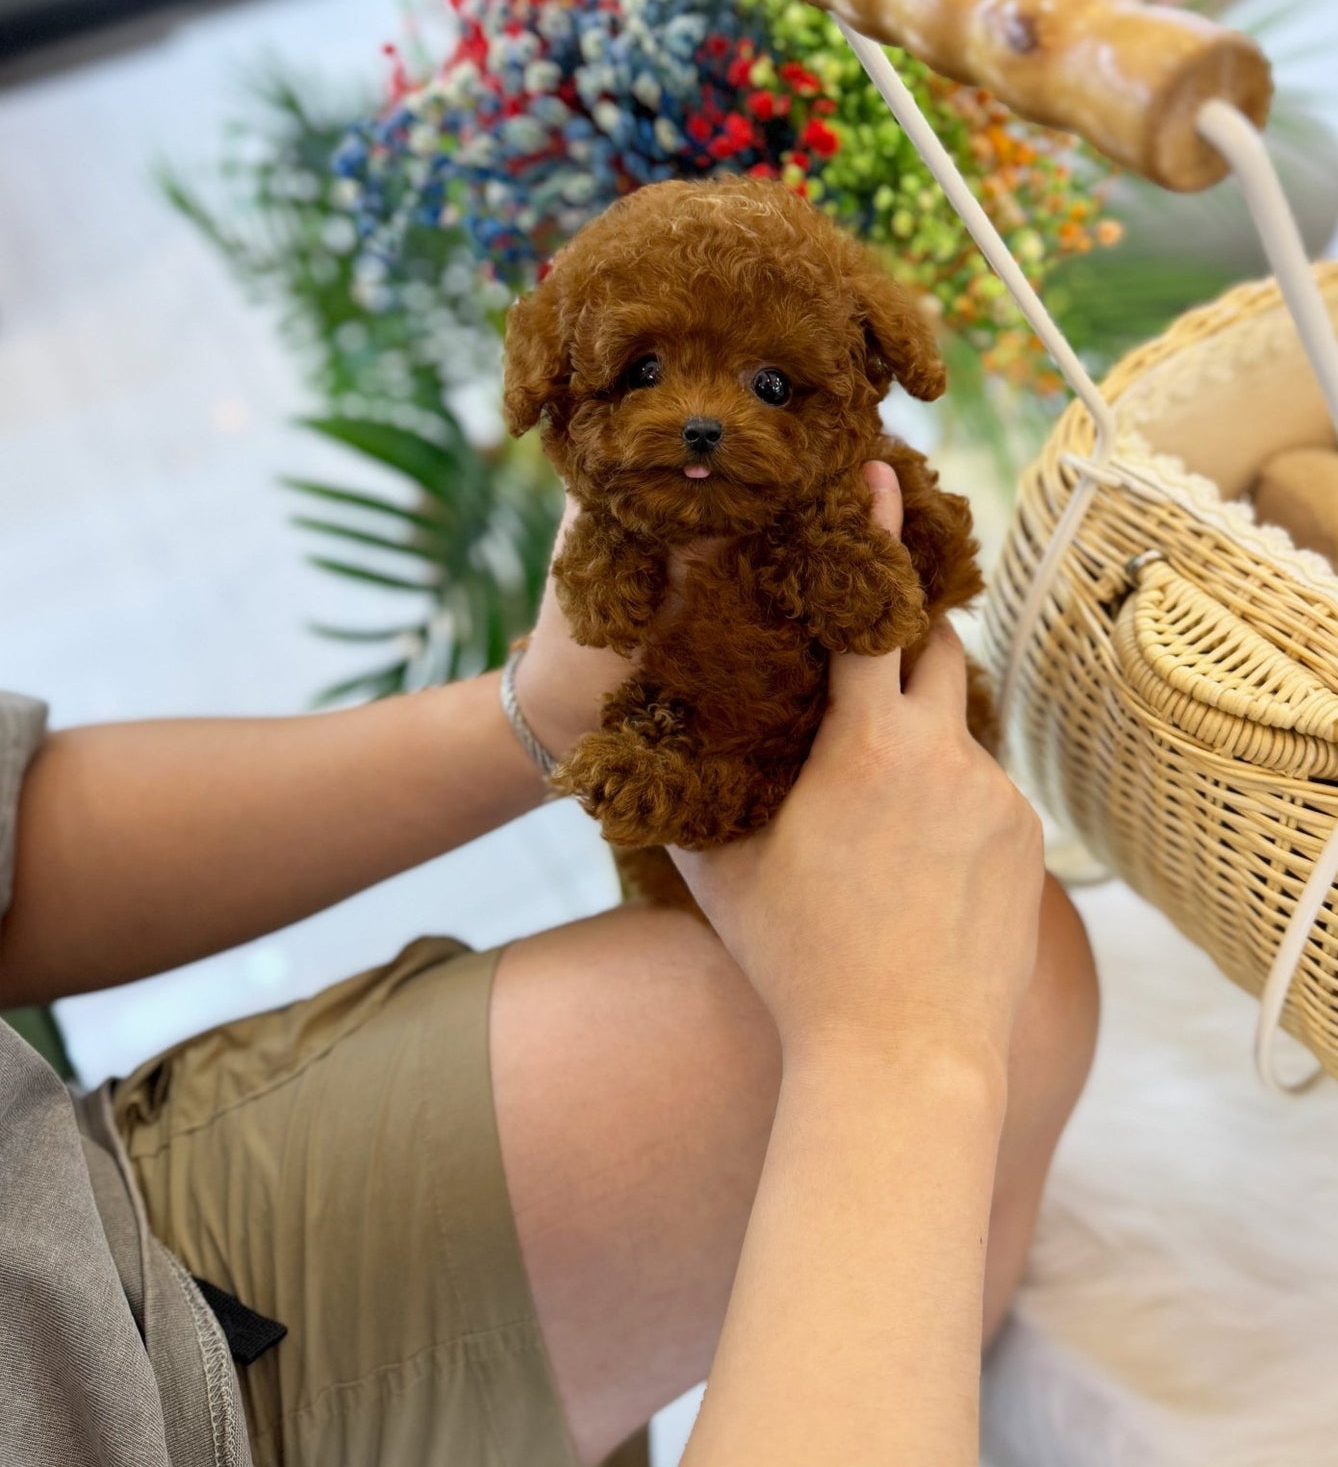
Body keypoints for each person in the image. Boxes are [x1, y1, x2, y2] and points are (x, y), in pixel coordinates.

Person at [0, 463, 1098, 1467]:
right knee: (961, 995)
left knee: (1013, 969)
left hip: (95, 1237)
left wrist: (538, 715)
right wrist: (895, 1047)